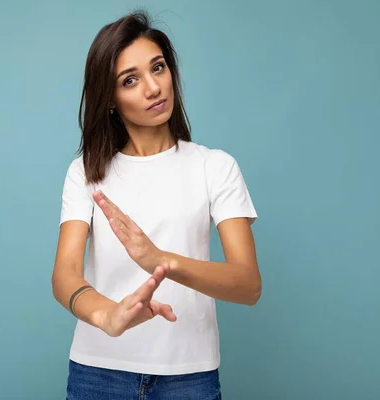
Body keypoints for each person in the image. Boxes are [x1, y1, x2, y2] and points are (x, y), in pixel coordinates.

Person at [51, 10, 261, 400]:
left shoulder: (214, 166)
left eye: (158, 68)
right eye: (130, 80)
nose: (153, 88)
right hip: (98, 373)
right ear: (110, 99)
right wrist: (107, 316)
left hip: (189, 377)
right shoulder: (85, 172)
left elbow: (248, 285)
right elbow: (64, 275)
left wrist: (160, 259)